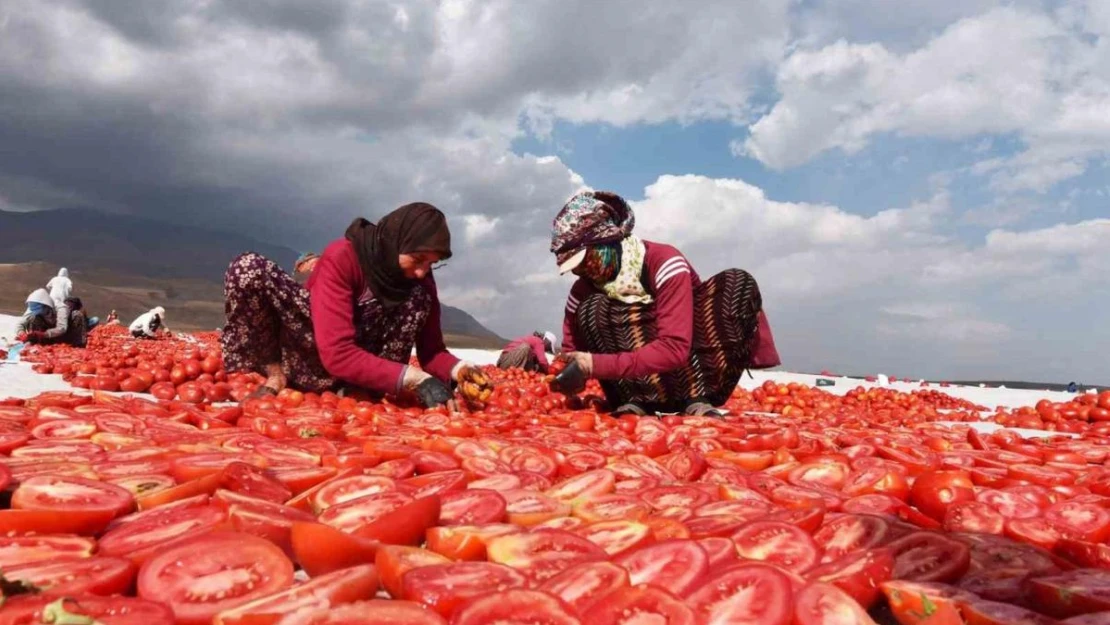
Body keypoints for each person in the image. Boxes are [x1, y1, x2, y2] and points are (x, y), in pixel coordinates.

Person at [221, 202, 490, 409]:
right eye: (418, 259)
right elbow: (337, 351)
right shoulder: (344, 257)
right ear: (394, 241)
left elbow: (432, 351)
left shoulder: (420, 281)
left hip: (362, 369)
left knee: (419, 295)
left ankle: (356, 387)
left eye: (432, 263)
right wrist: (413, 379)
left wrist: (459, 370)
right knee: (248, 268)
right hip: (310, 348)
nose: (422, 271)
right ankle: (276, 375)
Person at [549, 190, 780, 416]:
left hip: (690, 365)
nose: (581, 271)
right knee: (591, 307)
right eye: (574, 268)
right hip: (630, 387)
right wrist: (567, 373)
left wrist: (593, 365)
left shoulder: (665, 262)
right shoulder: (583, 290)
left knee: (737, 284)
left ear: (607, 242)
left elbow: (674, 347)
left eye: (585, 260)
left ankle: (697, 397)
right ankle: (634, 399)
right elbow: (571, 350)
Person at [15, 288, 89, 347]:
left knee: (77, 315)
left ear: (46, 305)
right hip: (48, 336)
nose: (38, 312)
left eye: (39, 309)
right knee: (34, 318)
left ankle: (77, 345)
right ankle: (37, 343)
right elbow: (21, 323)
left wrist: (43, 334)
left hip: (66, 334)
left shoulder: (61, 308)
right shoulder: (35, 310)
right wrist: (22, 334)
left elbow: (62, 328)